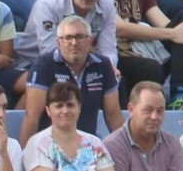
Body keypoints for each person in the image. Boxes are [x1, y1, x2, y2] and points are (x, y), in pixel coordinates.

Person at [20, 15, 123, 143]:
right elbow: (31, 116)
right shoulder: (44, 64)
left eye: (80, 37)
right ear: (58, 42)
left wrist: (127, 151)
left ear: (90, 41)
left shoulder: (103, 65)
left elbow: (113, 115)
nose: (74, 43)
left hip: (87, 145)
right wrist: (26, 152)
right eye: (68, 38)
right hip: (49, 146)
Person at [18, 0, 118, 72]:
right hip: (34, 64)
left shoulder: (107, 5)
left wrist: (109, 69)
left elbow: (108, 50)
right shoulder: (48, 5)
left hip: (81, 62)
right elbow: (51, 54)